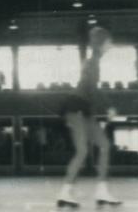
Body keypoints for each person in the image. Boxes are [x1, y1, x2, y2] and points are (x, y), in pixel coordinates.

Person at [57, 27, 120, 208]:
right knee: (82, 151)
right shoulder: (92, 63)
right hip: (75, 108)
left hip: (85, 111)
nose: (111, 45)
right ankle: (65, 192)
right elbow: (92, 89)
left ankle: (102, 190)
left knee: (105, 145)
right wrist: (109, 107)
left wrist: (94, 116)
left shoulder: (94, 62)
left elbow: (90, 93)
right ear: (102, 44)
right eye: (109, 42)